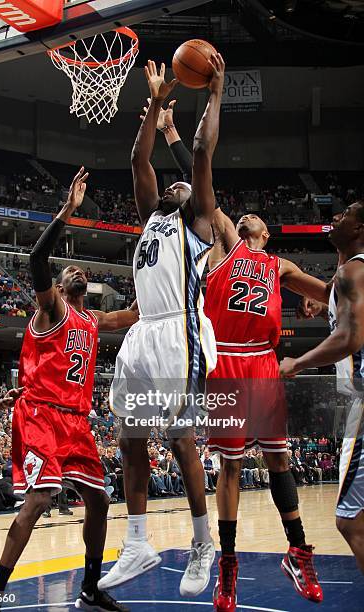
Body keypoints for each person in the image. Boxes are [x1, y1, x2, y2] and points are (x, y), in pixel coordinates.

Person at [154, 98, 326, 610]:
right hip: (226, 359)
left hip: (264, 363)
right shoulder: (227, 245)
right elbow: (200, 176)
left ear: (267, 234)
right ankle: (227, 568)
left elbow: (333, 294)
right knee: (230, 467)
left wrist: (329, 300)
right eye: (242, 214)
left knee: (279, 459)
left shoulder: (279, 265)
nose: (247, 216)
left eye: (257, 217)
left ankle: (297, 552)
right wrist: (170, 134)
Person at [0, 168, 138, 612]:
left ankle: (90, 586)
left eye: (78, 267)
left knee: (101, 500)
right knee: (40, 500)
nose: (75, 270)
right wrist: (67, 211)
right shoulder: (51, 309)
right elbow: (36, 260)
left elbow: (136, 313)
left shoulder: (94, 320)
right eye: (67, 269)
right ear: (56, 288)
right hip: (40, 414)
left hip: (77, 421)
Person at [100, 56, 224, 597]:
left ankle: (203, 542)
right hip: (143, 335)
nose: (173, 186)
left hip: (180, 333)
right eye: (169, 186)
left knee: (179, 440)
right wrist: (153, 102)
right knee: (128, 438)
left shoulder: (197, 224)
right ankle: (137, 542)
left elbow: (198, 153)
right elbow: (137, 159)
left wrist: (214, 91)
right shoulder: (152, 214)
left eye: (182, 186)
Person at [280, 202, 364, 574]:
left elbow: (348, 337)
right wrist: (307, 293)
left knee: (350, 522)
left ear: (360, 227)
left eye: (344, 214)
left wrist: (297, 362)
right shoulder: (347, 276)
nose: (335, 218)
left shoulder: (353, 272)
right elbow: (323, 289)